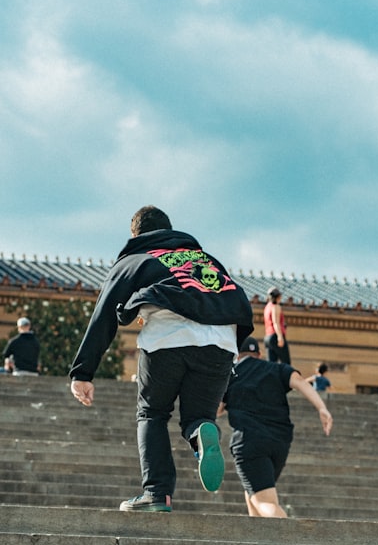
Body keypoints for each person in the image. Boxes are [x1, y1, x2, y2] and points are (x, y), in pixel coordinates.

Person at [68, 205, 254, 512]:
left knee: (152, 413)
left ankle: (156, 493)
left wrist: (82, 372)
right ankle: (199, 435)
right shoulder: (207, 259)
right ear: (169, 230)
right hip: (222, 342)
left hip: (168, 337)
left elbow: (104, 314)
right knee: (197, 418)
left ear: (136, 234)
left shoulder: (136, 259)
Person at [218, 337, 333, 517]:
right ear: (259, 354)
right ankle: (258, 541)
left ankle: (295, 543)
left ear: (236, 356)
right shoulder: (275, 369)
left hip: (250, 442)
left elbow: (216, 409)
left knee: (265, 501)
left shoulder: (231, 374)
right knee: (252, 491)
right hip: (279, 444)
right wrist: (322, 408)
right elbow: (300, 381)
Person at [263, 286, 290, 364]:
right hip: (275, 336)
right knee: (286, 363)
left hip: (268, 337)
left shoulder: (267, 307)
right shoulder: (276, 307)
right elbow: (276, 322)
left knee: (271, 364)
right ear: (278, 297)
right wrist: (280, 337)